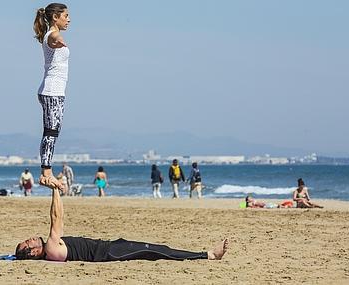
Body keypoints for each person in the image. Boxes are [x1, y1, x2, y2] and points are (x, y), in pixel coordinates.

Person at [15, 186, 229, 262]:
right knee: (158, 251)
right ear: (33, 253)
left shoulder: (51, 250)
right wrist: (55, 189)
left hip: (111, 247)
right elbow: (56, 217)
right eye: (28, 242)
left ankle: (206, 254)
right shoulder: (51, 247)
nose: (31, 238)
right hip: (110, 253)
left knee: (156, 251)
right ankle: (208, 255)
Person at [33, 3, 70, 193]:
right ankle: (45, 173)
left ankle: (47, 170)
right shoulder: (51, 35)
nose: (69, 19)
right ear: (55, 17)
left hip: (56, 92)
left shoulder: (50, 35)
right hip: (51, 91)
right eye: (66, 15)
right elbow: (53, 37)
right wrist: (59, 38)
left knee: (54, 131)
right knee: (50, 132)